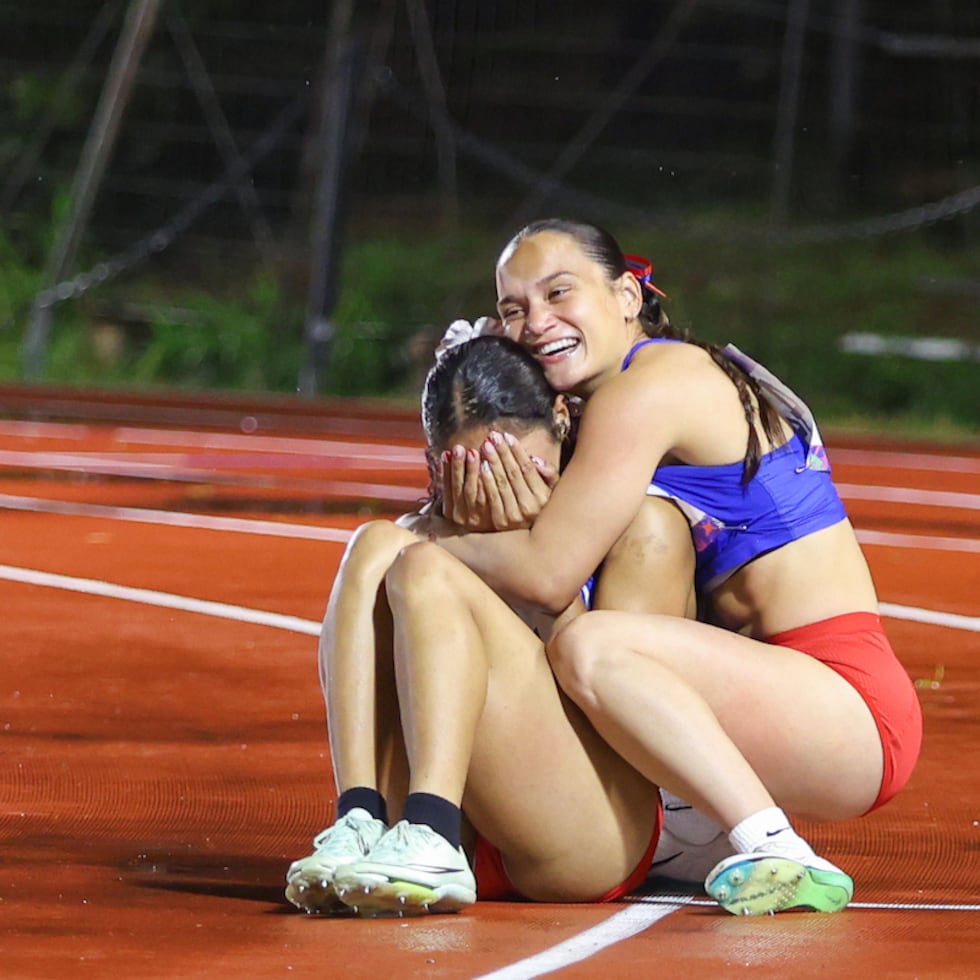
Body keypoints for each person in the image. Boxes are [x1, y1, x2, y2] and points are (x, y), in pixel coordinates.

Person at [429, 218, 923, 916]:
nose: (536, 322)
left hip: (849, 704)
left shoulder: (650, 388)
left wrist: (429, 536)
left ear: (627, 296)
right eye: (514, 309)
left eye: (559, 293)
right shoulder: (625, 387)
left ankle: (771, 842)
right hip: (790, 688)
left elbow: (546, 574)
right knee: (640, 535)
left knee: (593, 646)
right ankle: (680, 824)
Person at [285, 332, 723, 917]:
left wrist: (532, 571)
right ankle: (362, 819)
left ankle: (432, 829)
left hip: (593, 825)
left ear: (562, 420)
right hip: (477, 815)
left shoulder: (642, 529)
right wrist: (465, 540)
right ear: (436, 465)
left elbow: (632, 730)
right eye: (472, 471)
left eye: (520, 464)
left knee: (424, 568)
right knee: (376, 544)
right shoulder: (433, 528)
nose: (496, 488)